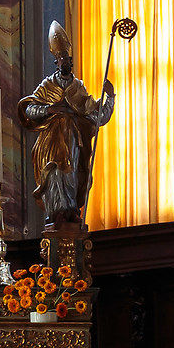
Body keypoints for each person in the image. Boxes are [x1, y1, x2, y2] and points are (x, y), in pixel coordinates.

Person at [16, 22, 115, 225]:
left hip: (73, 146)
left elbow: (97, 118)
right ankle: (56, 211)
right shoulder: (48, 85)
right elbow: (29, 109)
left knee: (71, 175)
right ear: (56, 62)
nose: (64, 62)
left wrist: (110, 97)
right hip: (51, 145)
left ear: (71, 61)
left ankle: (69, 210)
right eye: (60, 59)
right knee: (54, 175)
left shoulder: (78, 88)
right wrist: (49, 110)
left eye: (66, 59)